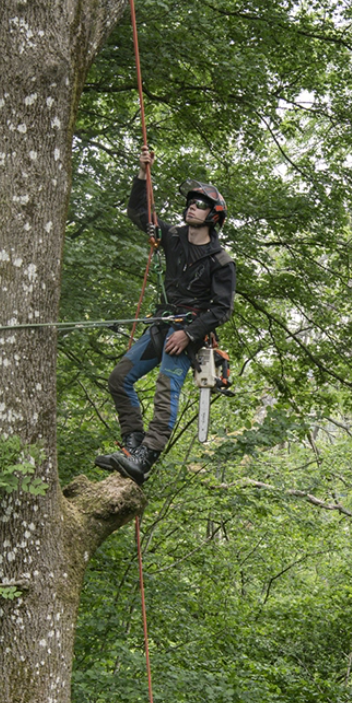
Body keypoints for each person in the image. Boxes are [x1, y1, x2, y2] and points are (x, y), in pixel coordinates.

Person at [96, 148, 235, 482]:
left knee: (166, 388)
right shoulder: (172, 237)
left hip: (188, 332)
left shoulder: (220, 261)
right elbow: (138, 212)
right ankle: (132, 445)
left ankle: (147, 456)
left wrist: (189, 334)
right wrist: (143, 172)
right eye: (191, 202)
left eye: (200, 204)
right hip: (162, 324)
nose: (192, 206)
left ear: (213, 215)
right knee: (119, 379)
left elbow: (222, 309)